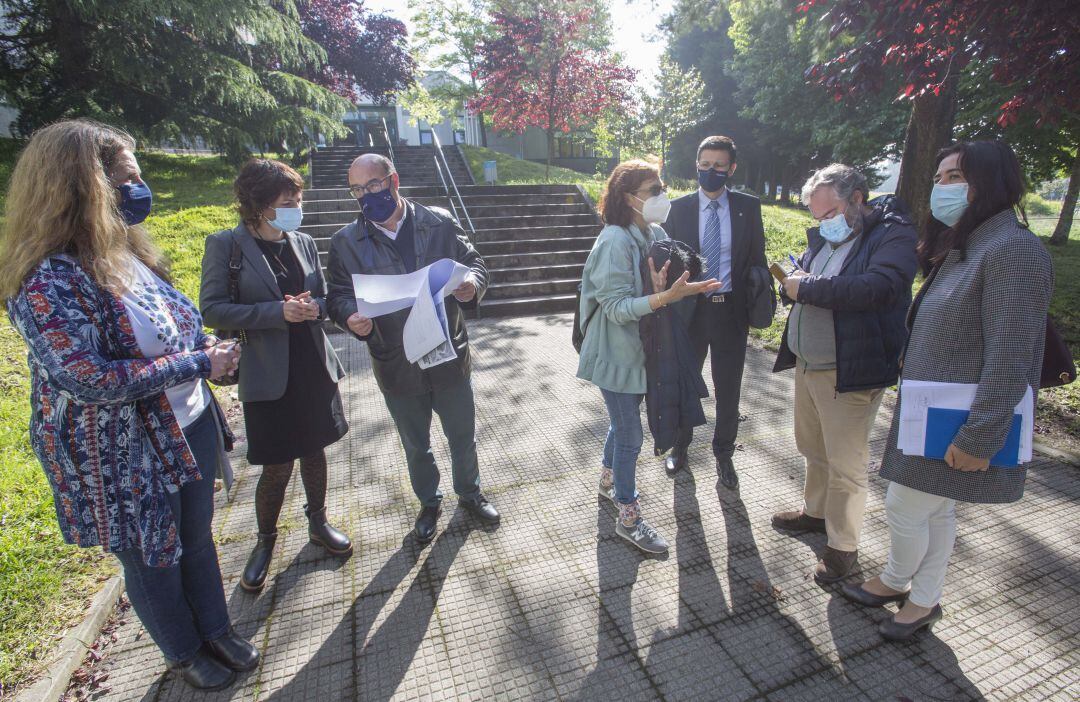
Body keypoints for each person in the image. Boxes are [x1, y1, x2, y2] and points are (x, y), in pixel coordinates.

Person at [0, 120, 257, 691]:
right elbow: (86, 377)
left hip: (186, 422)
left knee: (196, 535)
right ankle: (184, 649)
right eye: (128, 180)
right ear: (83, 188)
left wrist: (204, 350)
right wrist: (198, 364)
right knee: (149, 553)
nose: (140, 191)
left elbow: (171, 328)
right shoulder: (47, 278)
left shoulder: (129, 252)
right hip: (118, 449)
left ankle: (216, 628)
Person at [842, 140, 1054, 641]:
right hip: (932, 411)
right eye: (938, 179)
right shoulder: (971, 243)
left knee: (904, 506)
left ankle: (905, 585)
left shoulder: (1013, 249)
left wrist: (981, 437)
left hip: (957, 418)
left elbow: (1012, 353)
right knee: (936, 507)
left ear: (990, 182)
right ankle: (916, 596)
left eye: (954, 177)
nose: (941, 188)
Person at [325, 153, 499, 544]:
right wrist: (350, 316)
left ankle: (469, 493)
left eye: (372, 186)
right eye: (357, 190)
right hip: (396, 360)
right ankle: (429, 502)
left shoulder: (438, 221)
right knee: (415, 443)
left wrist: (472, 283)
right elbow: (336, 295)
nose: (366, 196)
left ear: (393, 181)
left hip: (447, 352)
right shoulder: (345, 242)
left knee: (462, 435)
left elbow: (474, 262)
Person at [200, 159, 351, 592]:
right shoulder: (226, 245)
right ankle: (265, 541)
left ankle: (318, 523)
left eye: (298, 200)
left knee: (316, 448)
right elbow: (211, 308)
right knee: (277, 463)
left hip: (313, 363)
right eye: (287, 202)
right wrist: (276, 312)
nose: (296, 208)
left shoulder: (302, 241)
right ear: (259, 204)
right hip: (267, 373)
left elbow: (324, 297)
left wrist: (314, 307)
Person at [770, 164, 918, 583]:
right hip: (809, 365)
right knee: (812, 449)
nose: (823, 224)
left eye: (829, 213)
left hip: (849, 371)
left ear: (857, 198)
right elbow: (806, 278)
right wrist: (791, 280)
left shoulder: (893, 235)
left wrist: (807, 287)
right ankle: (815, 514)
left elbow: (880, 287)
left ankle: (843, 549)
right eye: (816, 218)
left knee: (846, 465)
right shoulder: (828, 237)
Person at [578, 160, 720, 553]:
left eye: (662, 188)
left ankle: (608, 481)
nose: (662, 197)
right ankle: (628, 515)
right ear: (628, 198)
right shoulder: (614, 241)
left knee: (621, 424)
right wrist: (664, 297)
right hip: (615, 355)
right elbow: (616, 308)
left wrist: (679, 290)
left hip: (644, 352)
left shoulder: (652, 231)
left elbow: (656, 291)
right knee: (630, 434)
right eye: (653, 190)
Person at [661, 136, 769, 489]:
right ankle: (680, 445)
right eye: (705, 164)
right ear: (696, 165)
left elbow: (756, 260)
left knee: (728, 387)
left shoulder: (747, 208)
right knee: (684, 383)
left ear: (731, 168)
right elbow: (666, 262)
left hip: (729, 313)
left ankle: (724, 453)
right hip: (689, 313)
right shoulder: (677, 209)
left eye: (718, 165)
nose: (711, 171)